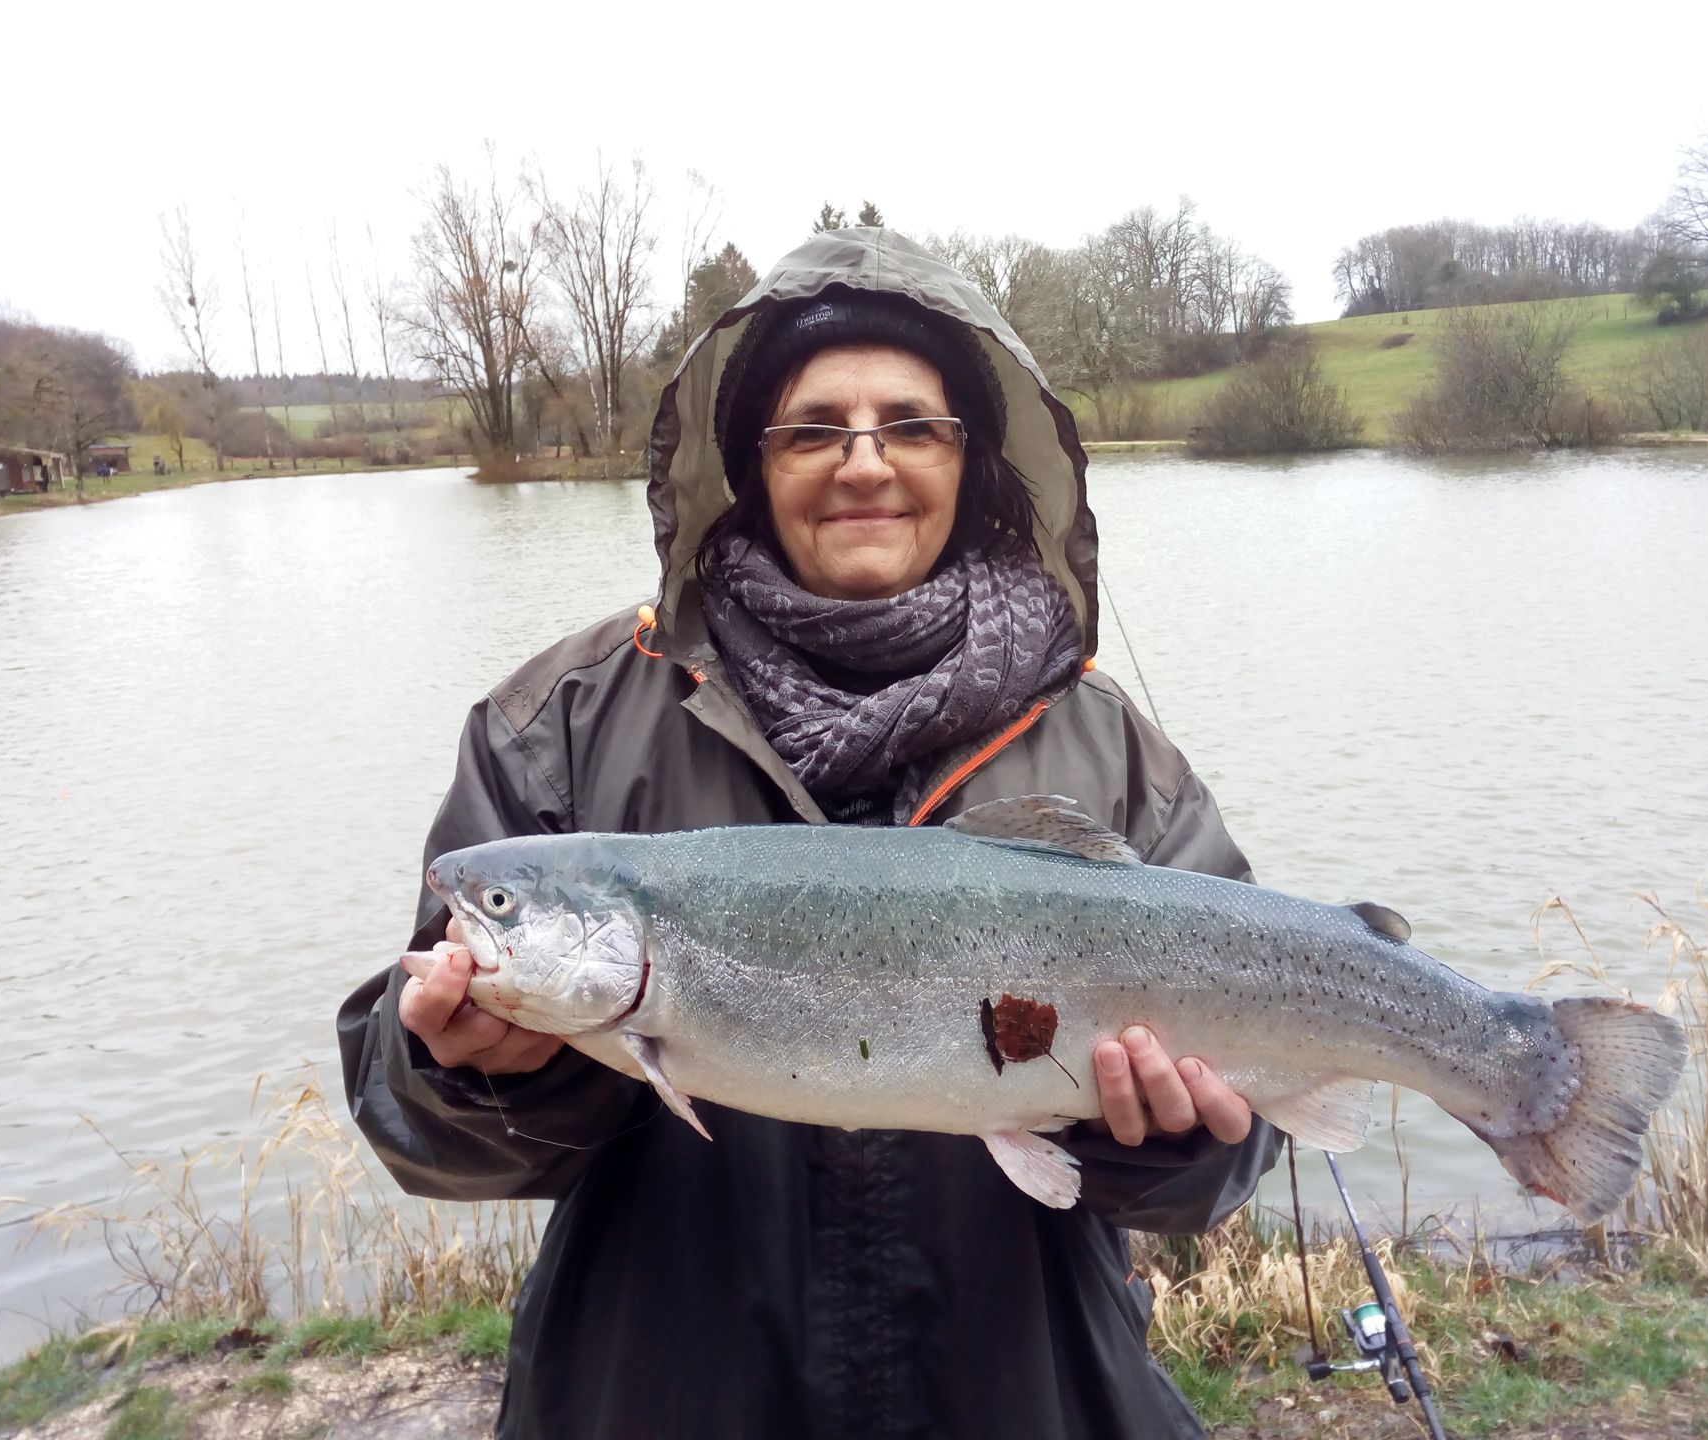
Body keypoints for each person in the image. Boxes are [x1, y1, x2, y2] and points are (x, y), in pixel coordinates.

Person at [339, 227, 1281, 1440]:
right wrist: (465, 1073)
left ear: (973, 458)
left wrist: (1159, 1148)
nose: (864, 463)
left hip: (1026, 1395)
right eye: (812, 428)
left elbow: (1223, 1170)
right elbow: (421, 1136)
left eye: (912, 424)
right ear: (751, 464)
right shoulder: (558, 729)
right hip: (661, 1400)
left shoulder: (1112, 750)